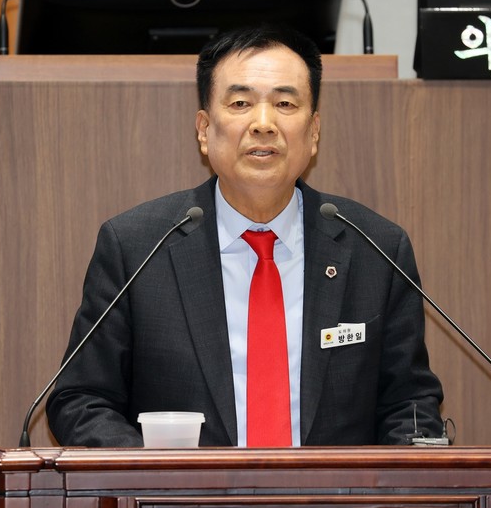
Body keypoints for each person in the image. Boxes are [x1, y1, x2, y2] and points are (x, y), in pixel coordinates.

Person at [46, 24, 444, 447]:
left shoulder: (377, 250)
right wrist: (155, 471)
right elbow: (80, 399)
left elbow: (410, 405)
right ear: (204, 129)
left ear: (313, 132)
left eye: (285, 103)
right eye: (241, 103)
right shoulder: (136, 247)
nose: (264, 123)